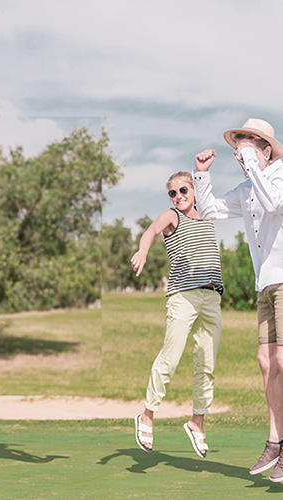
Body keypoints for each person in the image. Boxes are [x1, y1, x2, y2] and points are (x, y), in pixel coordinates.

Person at [194, 119, 283, 482]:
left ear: (266, 150)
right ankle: (277, 442)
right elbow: (209, 211)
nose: (241, 155)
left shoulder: (276, 177)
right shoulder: (248, 187)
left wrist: (253, 168)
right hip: (266, 284)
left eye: (248, 148)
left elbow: (273, 202)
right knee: (266, 362)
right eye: (238, 149)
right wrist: (202, 176)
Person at [131, 171, 223, 458]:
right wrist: (143, 250)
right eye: (172, 192)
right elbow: (150, 231)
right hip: (183, 296)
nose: (178, 196)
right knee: (170, 357)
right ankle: (147, 415)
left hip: (211, 297)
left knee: (207, 362)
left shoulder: (207, 215)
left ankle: (197, 423)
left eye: (183, 190)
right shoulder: (172, 216)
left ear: (195, 191)